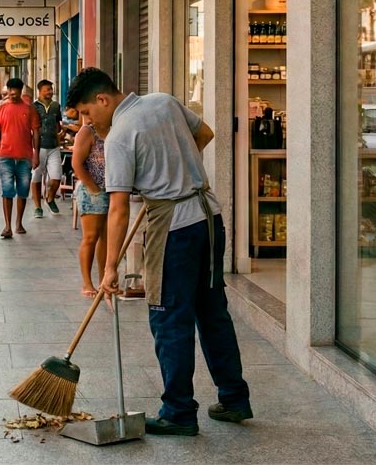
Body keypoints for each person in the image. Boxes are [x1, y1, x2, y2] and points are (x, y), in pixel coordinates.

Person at [66, 67, 252, 436]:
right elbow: (206, 134)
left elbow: (118, 209)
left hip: (174, 229)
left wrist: (110, 267)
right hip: (209, 218)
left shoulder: (119, 136)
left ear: (103, 99)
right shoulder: (164, 102)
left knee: (168, 318)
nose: (87, 122)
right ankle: (234, 398)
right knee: (212, 312)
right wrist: (172, 166)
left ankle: (179, 411)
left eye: (87, 113)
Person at [0, 78, 39, 239]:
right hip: (5, 155)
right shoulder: (0, 109)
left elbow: (36, 133)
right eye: (10, 89)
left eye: (16, 90)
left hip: (25, 156)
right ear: (8, 90)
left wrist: (36, 153)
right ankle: (8, 225)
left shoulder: (30, 109)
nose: (13, 93)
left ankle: (19, 222)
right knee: (7, 190)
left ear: (20, 90)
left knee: (23, 191)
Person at [71, 121, 109, 298]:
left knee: (107, 238)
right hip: (92, 190)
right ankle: (87, 282)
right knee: (91, 237)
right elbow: (76, 164)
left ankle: (104, 280)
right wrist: (93, 187)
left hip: (113, 190)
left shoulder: (115, 128)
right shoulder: (87, 131)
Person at [31, 79, 64, 218]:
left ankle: (49, 199)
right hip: (38, 147)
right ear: (40, 91)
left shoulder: (56, 106)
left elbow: (58, 124)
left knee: (56, 177)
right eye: (47, 89)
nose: (50, 92)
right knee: (36, 177)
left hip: (54, 147)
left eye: (51, 89)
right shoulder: (33, 107)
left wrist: (60, 137)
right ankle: (37, 206)